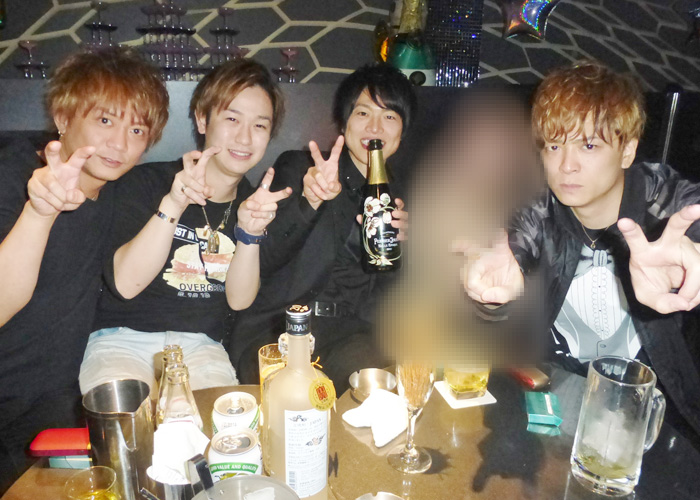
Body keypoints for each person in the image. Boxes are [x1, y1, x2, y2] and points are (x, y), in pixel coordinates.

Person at [462, 60, 700, 442]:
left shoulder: (668, 204)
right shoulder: (536, 210)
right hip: (561, 392)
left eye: (589, 145)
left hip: (661, 410)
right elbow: (503, 283)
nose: (566, 165)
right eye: (554, 145)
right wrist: (489, 301)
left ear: (627, 151)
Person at [0, 47, 169, 491]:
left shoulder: (114, 194)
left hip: (51, 402)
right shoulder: (14, 176)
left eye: (137, 129)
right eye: (105, 120)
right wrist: (39, 212)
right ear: (63, 117)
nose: (120, 144)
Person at [79, 58, 291, 395]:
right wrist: (173, 204)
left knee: (221, 423)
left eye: (260, 126)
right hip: (121, 340)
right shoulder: (146, 182)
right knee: (129, 419)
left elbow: (239, 301)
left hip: (201, 347)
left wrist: (249, 234)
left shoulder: (255, 204)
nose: (244, 137)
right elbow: (125, 285)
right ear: (202, 120)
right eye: (232, 119)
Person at [230, 63, 415, 391]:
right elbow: (264, 259)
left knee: (379, 395)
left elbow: (393, 300)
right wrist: (310, 201)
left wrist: (406, 250)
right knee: (292, 400)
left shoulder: (403, 197)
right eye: (363, 113)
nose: (375, 127)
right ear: (344, 123)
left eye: (389, 116)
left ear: (402, 132)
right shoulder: (300, 168)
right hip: (280, 328)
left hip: (351, 335)